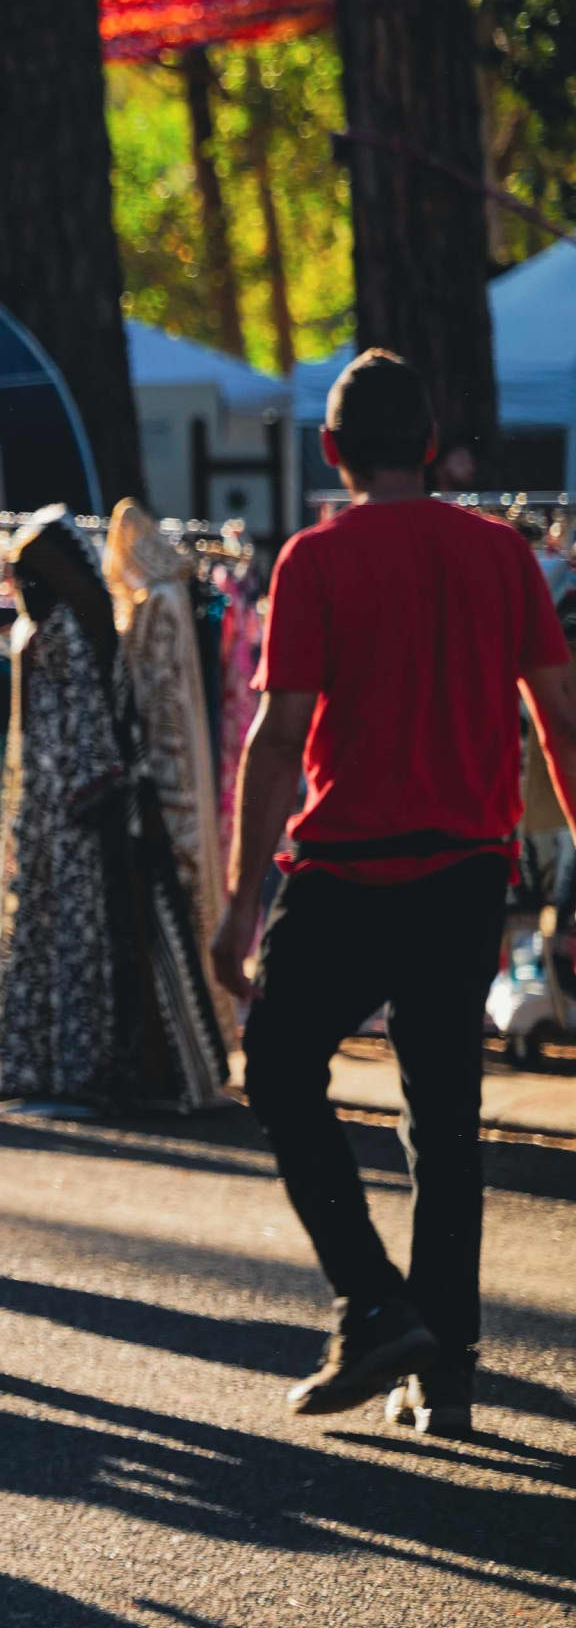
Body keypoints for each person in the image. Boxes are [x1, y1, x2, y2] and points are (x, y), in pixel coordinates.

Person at [215, 351, 576, 1439]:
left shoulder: (313, 560)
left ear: (331, 451)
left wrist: (238, 903)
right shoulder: (502, 554)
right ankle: (445, 1372)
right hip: (467, 869)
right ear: (431, 443)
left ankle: (373, 1301)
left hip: (346, 870)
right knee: (444, 1120)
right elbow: (560, 714)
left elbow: (279, 743)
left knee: (277, 1066)